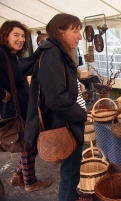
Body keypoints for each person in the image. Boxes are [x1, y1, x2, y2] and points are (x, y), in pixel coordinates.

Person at [23, 13, 87, 201]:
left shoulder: (58, 51)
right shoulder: (52, 54)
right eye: (75, 31)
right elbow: (56, 99)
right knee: (70, 172)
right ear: (60, 31)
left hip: (68, 119)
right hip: (65, 122)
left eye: (80, 31)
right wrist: (80, 114)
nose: (80, 36)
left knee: (72, 169)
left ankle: (72, 197)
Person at [0, 20, 51, 192]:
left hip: (23, 104)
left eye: (23, 36)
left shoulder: (12, 55)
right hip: (16, 108)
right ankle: (30, 182)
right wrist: (1, 94)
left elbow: (26, 68)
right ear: (5, 35)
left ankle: (17, 175)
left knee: (28, 141)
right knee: (29, 143)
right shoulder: (1, 53)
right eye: (16, 35)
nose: (21, 39)